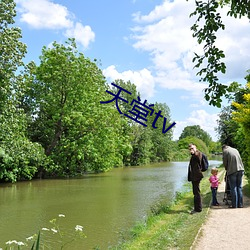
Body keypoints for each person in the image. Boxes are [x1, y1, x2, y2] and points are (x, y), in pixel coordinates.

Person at [188, 143, 204, 214]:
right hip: (195, 176)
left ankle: (198, 209)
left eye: (192, 148)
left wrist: (194, 152)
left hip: (196, 176)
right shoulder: (194, 155)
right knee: (196, 192)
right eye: (190, 149)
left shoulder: (198, 154)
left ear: (195, 148)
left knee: (196, 192)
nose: (191, 150)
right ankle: (197, 208)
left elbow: (198, 158)